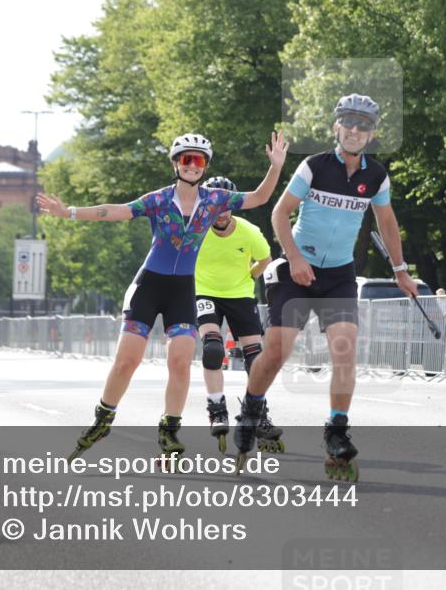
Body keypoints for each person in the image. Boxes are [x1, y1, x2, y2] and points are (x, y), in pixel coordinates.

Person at [37, 132, 288, 461]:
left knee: (181, 361)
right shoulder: (158, 200)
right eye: (187, 159)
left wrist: (276, 167)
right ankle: (102, 419)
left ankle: (169, 432)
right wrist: (68, 212)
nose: (193, 166)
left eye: (199, 160)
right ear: (176, 163)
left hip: (183, 289)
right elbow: (114, 211)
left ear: (205, 166)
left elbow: (258, 197)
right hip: (149, 287)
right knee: (128, 360)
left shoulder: (215, 200)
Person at [233, 94, 417, 482]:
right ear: (336, 127)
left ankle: (336, 430)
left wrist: (401, 270)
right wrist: (295, 258)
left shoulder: (376, 176)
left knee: (345, 350)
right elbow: (279, 213)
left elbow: (387, 223)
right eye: (348, 123)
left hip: (338, 274)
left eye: (363, 125)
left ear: (372, 133)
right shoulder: (313, 166)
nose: (354, 130)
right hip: (295, 270)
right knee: (278, 351)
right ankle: (251, 408)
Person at [192, 176, 280, 453]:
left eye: (226, 206)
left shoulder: (249, 231)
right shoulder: (196, 229)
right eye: (215, 206)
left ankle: (259, 412)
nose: (221, 213)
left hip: (240, 295)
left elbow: (265, 259)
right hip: (204, 293)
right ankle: (216, 407)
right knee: (213, 349)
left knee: (256, 357)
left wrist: (249, 276)